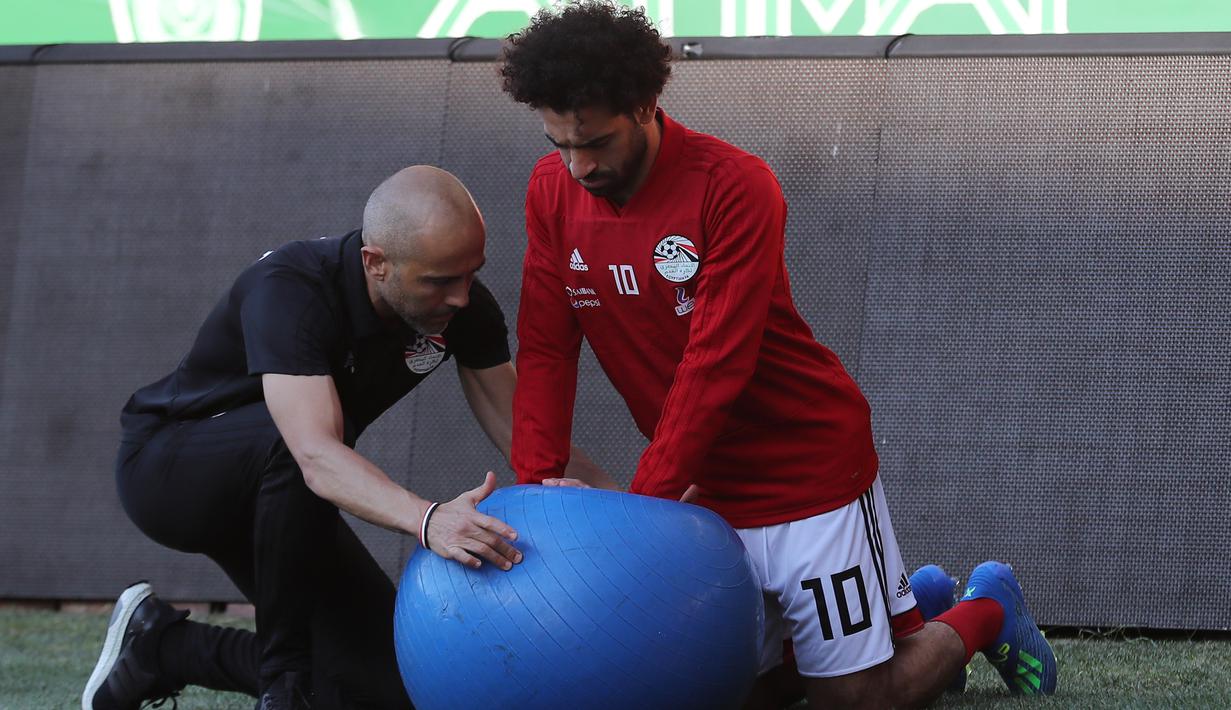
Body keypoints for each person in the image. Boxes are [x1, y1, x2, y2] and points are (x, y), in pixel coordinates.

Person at [499, 3, 1057, 708]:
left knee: (853, 700)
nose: (578, 166)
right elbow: (547, 348)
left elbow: (714, 364)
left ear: (643, 106)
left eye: (596, 143)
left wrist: (642, 521)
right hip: (705, 485)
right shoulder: (551, 192)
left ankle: (984, 609)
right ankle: (912, 602)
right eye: (559, 145)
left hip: (804, 471)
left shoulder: (734, 185)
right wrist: (533, 494)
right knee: (724, 692)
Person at [83, 165, 614, 710]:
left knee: (393, 686)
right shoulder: (291, 289)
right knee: (293, 445)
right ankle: (281, 685)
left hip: (288, 499)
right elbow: (313, 455)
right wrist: (431, 520)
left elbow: (529, 439)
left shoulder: (462, 307)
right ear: (376, 263)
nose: (460, 297)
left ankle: (161, 648)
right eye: (438, 281)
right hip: (172, 470)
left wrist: (636, 507)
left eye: (470, 274)